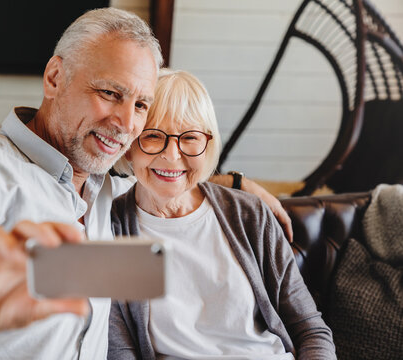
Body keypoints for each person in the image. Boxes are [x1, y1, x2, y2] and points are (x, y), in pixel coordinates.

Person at [0, 8, 292, 360]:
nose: (126, 124)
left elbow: (166, 175)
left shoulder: (108, 188)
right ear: (54, 78)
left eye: (140, 104)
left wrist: (231, 182)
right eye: (109, 93)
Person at [108, 69, 336, 359]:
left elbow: (309, 328)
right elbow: (119, 350)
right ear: (129, 147)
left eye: (190, 137)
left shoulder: (250, 215)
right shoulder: (108, 229)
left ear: (208, 144)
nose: (172, 155)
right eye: (153, 136)